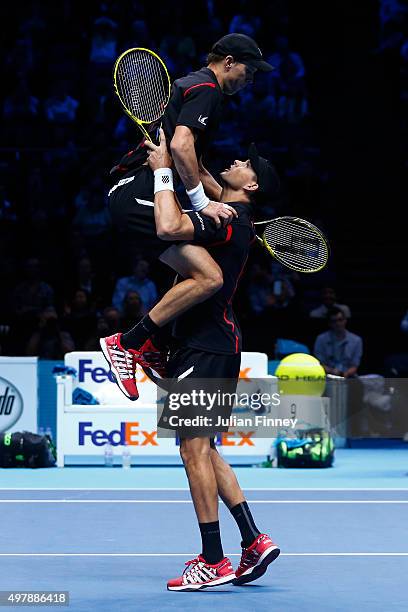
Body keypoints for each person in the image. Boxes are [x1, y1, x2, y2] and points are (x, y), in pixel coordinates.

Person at [104, 131, 280, 591]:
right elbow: (197, 168)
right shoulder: (229, 210)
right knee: (205, 448)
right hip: (211, 344)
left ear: (252, 185)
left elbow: (168, 226)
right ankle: (252, 539)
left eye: (247, 162)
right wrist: (180, 147)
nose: (239, 158)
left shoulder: (226, 220)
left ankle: (213, 558)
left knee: (191, 450)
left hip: (205, 346)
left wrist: (162, 170)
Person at [105, 34, 274, 388]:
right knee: (210, 276)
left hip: (136, 192)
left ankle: (153, 344)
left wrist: (233, 209)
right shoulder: (208, 88)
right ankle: (128, 343)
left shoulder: (195, 85)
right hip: (137, 191)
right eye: (249, 70)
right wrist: (201, 203)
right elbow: (181, 147)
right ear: (228, 62)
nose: (251, 79)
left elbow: (197, 167)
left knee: (195, 272)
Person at [314, 307, 363, 377]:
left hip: (348, 377)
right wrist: (332, 372)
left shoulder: (357, 340)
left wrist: (344, 374)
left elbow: (354, 366)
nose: (338, 323)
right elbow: (320, 363)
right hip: (327, 376)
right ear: (329, 323)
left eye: (340, 320)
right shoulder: (321, 339)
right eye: (334, 321)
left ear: (345, 320)